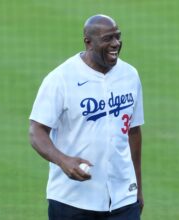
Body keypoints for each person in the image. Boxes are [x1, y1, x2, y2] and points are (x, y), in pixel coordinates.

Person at [29, 14, 144, 220]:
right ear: (88, 42)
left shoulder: (130, 75)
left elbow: (133, 132)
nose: (115, 43)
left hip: (123, 199)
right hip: (72, 200)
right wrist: (63, 160)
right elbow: (36, 131)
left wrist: (137, 189)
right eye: (108, 38)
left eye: (118, 37)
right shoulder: (61, 79)